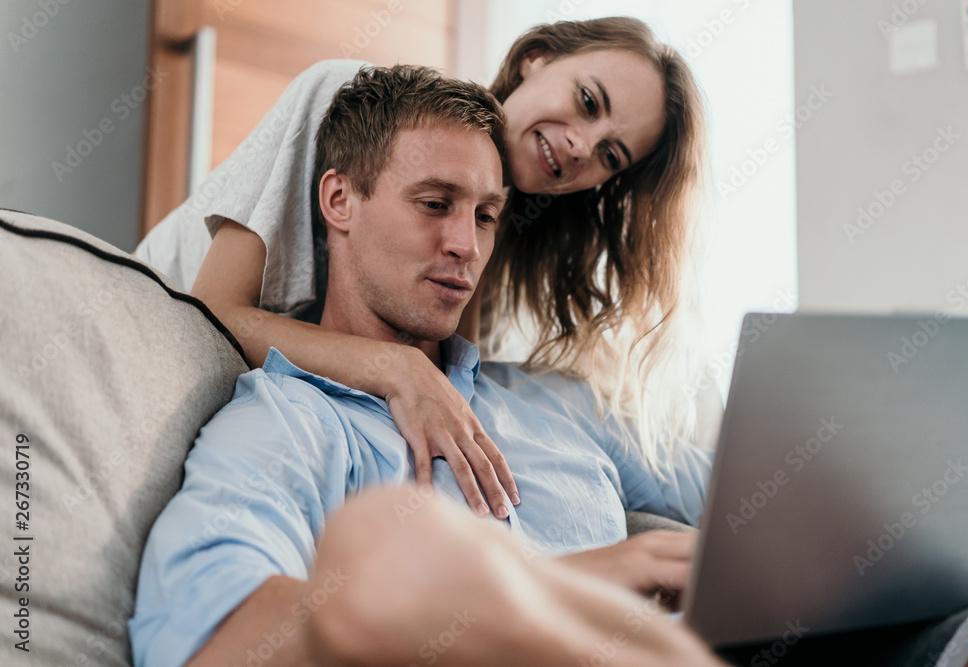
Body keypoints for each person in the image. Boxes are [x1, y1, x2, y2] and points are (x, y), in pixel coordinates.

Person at [129, 64, 717, 667]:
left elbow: (746, 491)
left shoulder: (558, 405)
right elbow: (208, 638)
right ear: (338, 200)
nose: (465, 245)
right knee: (380, 533)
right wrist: (557, 588)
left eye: (487, 217)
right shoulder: (290, 423)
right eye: (436, 204)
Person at [133, 17, 707, 522]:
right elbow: (209, 320)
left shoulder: (487, 236)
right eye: (588, 101)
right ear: (537, 58)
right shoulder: (349, 104)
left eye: (611, 155)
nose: (584, 146)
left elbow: (452, 385)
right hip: (158, 365)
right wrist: (397, 368)